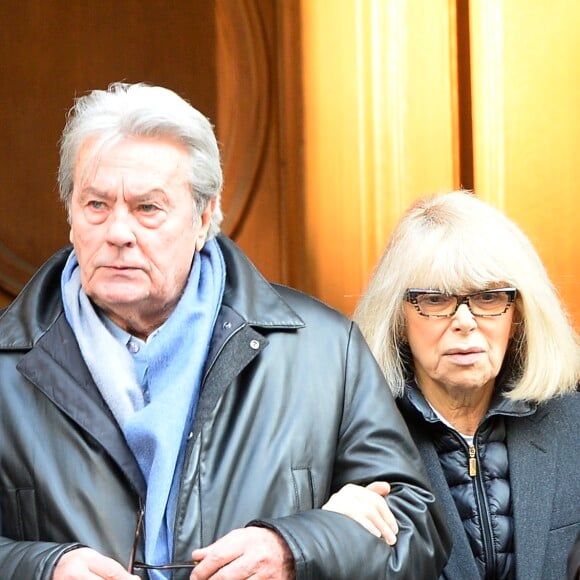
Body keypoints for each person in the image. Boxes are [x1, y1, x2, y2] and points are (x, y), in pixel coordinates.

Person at [0, 82, 450, 580]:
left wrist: (294, 550)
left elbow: (417, 528)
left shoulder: (322, 350)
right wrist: (41, 570)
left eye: (148, 208)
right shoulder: (6, 366)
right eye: (96, 205)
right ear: (70, 215)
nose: (119, 232)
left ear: (204, 215)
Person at [324, 191, 580, 579]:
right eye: (434, 298)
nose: (464, 321)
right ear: (399, 319)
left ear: (519, 316)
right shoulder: (348, 442)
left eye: (490, 297)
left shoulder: (572, 425)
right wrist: (326, 539)